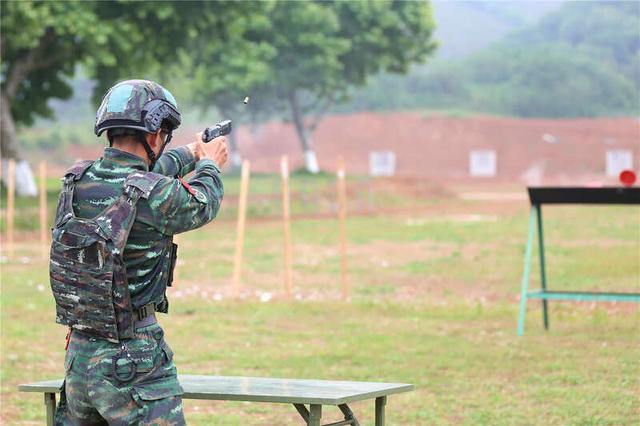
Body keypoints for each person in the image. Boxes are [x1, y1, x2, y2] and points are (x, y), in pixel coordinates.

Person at [49, 79, 228, 425]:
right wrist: (210, 165)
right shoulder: (155, 195)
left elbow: (137, 175)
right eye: (164, 133)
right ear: (154, 133)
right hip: (132, 360)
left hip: (80, 359)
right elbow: (203, 202)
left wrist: (192, 152)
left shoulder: (78, 180)